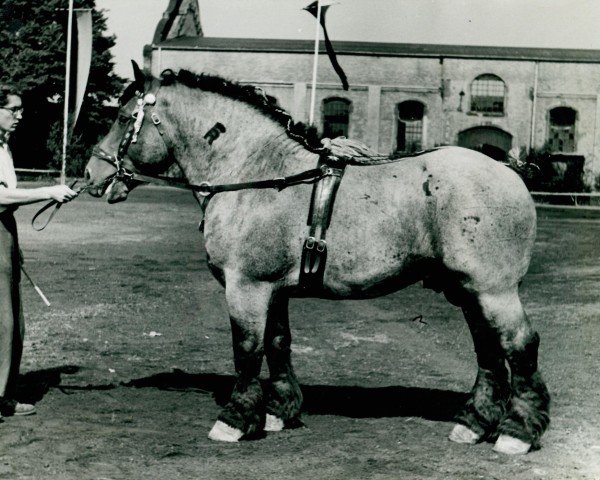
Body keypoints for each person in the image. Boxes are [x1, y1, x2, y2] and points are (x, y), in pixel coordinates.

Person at [0, 84, 77, 417]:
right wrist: (48, 190)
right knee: (2, 322)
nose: (19, 115)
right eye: (12, 109)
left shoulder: (4, 147)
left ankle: (3, 395)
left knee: (14, 323)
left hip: (5, 233)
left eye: (20, 109)